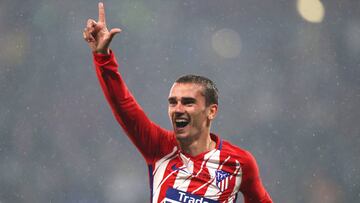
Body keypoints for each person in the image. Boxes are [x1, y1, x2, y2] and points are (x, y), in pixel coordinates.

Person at [83, 2, 273, 203]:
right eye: (173, 102)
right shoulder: (159, 148)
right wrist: (102, 57)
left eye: (188, 102)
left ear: (211, 111)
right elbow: (123, 105)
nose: (178, 109)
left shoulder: (238, 163)